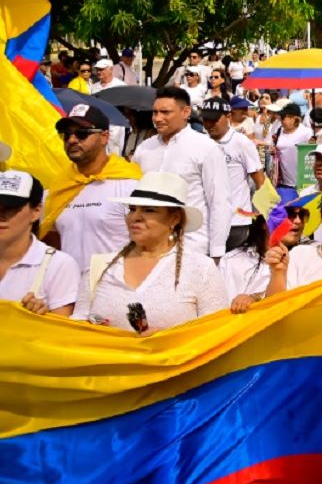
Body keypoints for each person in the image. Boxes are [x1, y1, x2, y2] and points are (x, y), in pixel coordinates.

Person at [73, 172, 229, 331]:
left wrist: (162, 343)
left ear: (174, 219)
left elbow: (217, 333)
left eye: (149, 210)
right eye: (132, 209)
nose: (135, 217)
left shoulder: (200, 268)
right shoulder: (100, 267)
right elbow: (77, 327)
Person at [132, 87, 232, 258]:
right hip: (149, 247)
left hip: (192, 246)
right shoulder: (144, 149)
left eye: (165, 112)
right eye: (154, 112)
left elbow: (220, 202)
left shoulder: (206, 148)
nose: (157, 118)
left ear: (186, 112)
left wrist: (216, 252)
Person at [40, 104, 142, 272]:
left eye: (82, 133)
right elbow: (53, 243)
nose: (72, 140)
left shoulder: (129, 186)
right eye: (66, 135)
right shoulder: (58, 188)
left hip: (116, 289)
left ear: (104, 137)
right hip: (70, 291)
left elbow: (148, 244)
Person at [0, 170, 80, 317]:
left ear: (36, 211)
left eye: (11, 208)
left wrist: (40, 318)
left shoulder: (58, 265)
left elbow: (61, 332)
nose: (1, 215)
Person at [200, 98, 265, 253]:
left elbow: (260, 180)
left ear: (227, 116)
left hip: (235, 222)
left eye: (214, 120)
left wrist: (267, 217)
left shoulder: (241, 143)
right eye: (205, 120)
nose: (209, 124)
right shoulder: (201, 143)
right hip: (207, 221)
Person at [222, 218, 272, 314]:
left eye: (302, 215)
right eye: (288, 215)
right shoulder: (230, 260)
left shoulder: (304, 258)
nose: (297, 221)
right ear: (265, 223)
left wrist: (256, 298)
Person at [271, 102, 312, 200]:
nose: (281, 120)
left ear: (293, 118)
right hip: (283, 183)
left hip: (303, 184)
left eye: (283, 117)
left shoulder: (306, 133)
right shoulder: (279, 130)